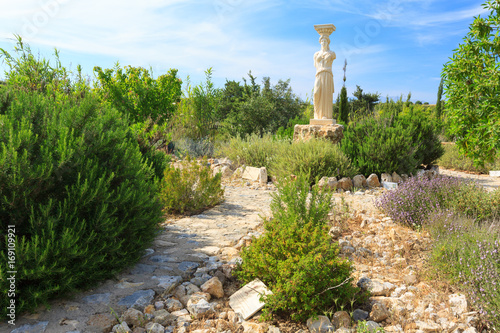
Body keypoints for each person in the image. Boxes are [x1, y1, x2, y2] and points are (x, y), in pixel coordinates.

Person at [313, 35, 336, 119]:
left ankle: (325, 115)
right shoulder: (316, 54)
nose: (323, 42)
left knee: (326, 94)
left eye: (325, 41)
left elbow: (333, 57)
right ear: (320, 42)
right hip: (319, 74)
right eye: (322, 41)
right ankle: (317, 113)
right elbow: (315, 65)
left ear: (328, 43)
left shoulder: (331, 53)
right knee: (316, 92)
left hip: (327, 73)